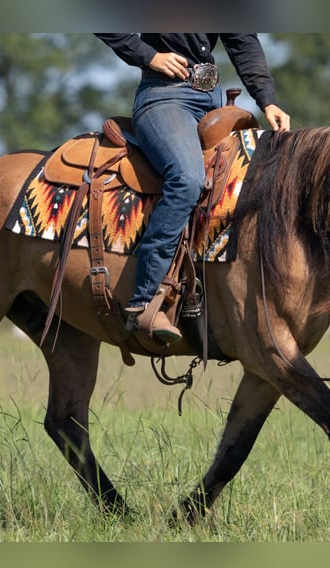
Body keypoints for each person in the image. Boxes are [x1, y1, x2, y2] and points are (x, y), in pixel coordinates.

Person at [95, 34, 290, 343]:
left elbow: (242, 41)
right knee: (186, 179)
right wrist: (149, 56)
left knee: (253, 181)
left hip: (212, 100)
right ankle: (144, 298)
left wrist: (268, 100)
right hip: (164, 97)